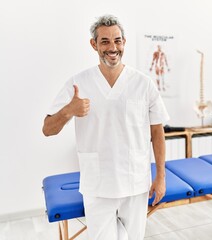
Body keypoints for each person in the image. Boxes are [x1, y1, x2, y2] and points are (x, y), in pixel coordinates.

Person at [42, 15, 169, 240]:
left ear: (124, 42)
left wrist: (160, 177)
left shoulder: (143, 83)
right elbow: (47, 129)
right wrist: (68, 110)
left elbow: (157, 132)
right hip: (98, 185)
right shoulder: (78, 83)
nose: (113, 47)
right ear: (94, 44)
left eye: (117, 41)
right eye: (105, 41)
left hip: (135, 181)